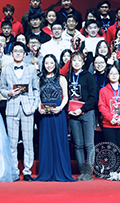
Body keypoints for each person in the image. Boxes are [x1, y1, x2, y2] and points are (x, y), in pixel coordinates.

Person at [0, 42, 40, 181]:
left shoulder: (31, 69)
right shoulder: (6, 70)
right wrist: (9, 93)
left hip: (28, 109)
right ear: (11, 53)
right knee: (12, 142)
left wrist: (34, 106)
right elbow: (2, 89)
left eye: (20, 51)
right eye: (15, 51)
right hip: (12, 108)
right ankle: (14, 171)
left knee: (28, 141)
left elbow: (36, 89)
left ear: (24, 54)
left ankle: (27, 171)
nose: (18, 53)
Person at [35, 54, 74, 182]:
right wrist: (39, 107)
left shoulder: (61, 78)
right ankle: (46, 171)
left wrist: (61, 107)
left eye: (51, 63)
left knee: (59, 141)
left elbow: (66, 97)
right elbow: (38, 96)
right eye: (46, 63)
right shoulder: (40, 79)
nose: (49, 65)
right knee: (46, 142)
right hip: (44, 115)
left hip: (58, 113)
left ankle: (60, 170)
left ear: (55, 64)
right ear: (43, 65)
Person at [65, 52, 98, 181]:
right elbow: (65, 96)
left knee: (89, 144)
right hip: (73, 114)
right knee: (78, 144)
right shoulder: (68, 77)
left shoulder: (88, 76)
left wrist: (82, 109)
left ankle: (89, 172)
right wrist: (69, 110)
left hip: (87, 113)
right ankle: (82, 171)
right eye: (74, 60)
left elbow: (93, 97)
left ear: (83, 63)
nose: (76, 63)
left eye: (79, 60)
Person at [98, 66, 120, 181]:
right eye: (111, 73)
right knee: (111, 148)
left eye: (116, 73)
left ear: (119, 75)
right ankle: (112, 171)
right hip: (109, 124)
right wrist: (110, 117)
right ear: (108, 76)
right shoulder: (103, 90)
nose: (114, 75)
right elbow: (101, 106)